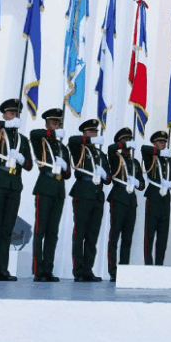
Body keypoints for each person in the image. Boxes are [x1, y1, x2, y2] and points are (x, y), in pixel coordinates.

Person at [0, 98, 33, 281]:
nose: (14, 116)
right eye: (10, 113)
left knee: (7, 229)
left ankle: (2, 270)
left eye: (16, 114)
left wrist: (22, 159)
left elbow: (29, 165)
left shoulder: (23, 140)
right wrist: (6, 124)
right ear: (4, 115)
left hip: (14, 184)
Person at [30, 108, 71, 282]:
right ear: (47, 125)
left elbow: (68, 174)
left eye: (58, 124)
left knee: (52, 232)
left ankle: (48, 269)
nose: (55, 127)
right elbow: (33, 133)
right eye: (53, 123)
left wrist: (65, 166)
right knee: (40, 230)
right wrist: (51, 134)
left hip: (58, 190)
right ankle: (38, 270)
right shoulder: (41, 141)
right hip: (45, 187)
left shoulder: (63, 148)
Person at [68, 119, 111, 282]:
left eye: (95, 132)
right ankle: (78, 271)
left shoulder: (101, 155)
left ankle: (88, 270)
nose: (94, 134)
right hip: (83, 193)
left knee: (92, 236)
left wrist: (104, 174)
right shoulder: (79, 149)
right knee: (80, 234)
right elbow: (72, 140)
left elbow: (108, 179)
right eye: (91, 132)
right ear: (85, 134)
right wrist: (88, 141)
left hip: (97, 196)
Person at [106, 127, 145, 282]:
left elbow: (142, 185)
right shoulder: (115, 157)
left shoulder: (134, 162)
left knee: (127, 238)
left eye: (130, 140)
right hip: (118, 197)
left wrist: (137, 182)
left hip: (131, 201)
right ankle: (113, 271)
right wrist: (122, 145)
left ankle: (123, 270)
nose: (128, 142)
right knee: (115, 236)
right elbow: (110, 148)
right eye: (125, 140)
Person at [141, 130, 171, 266]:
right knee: (150, 233)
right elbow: (143, 148)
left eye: (164, 142)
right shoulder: (150, 157)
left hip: (165, 200)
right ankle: (148, 264)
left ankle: (159, 265)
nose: (163, 144)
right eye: (160, 142)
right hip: (153, 197)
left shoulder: (169, 161)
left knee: (163, 235)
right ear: (154, 143)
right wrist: (158, 152)